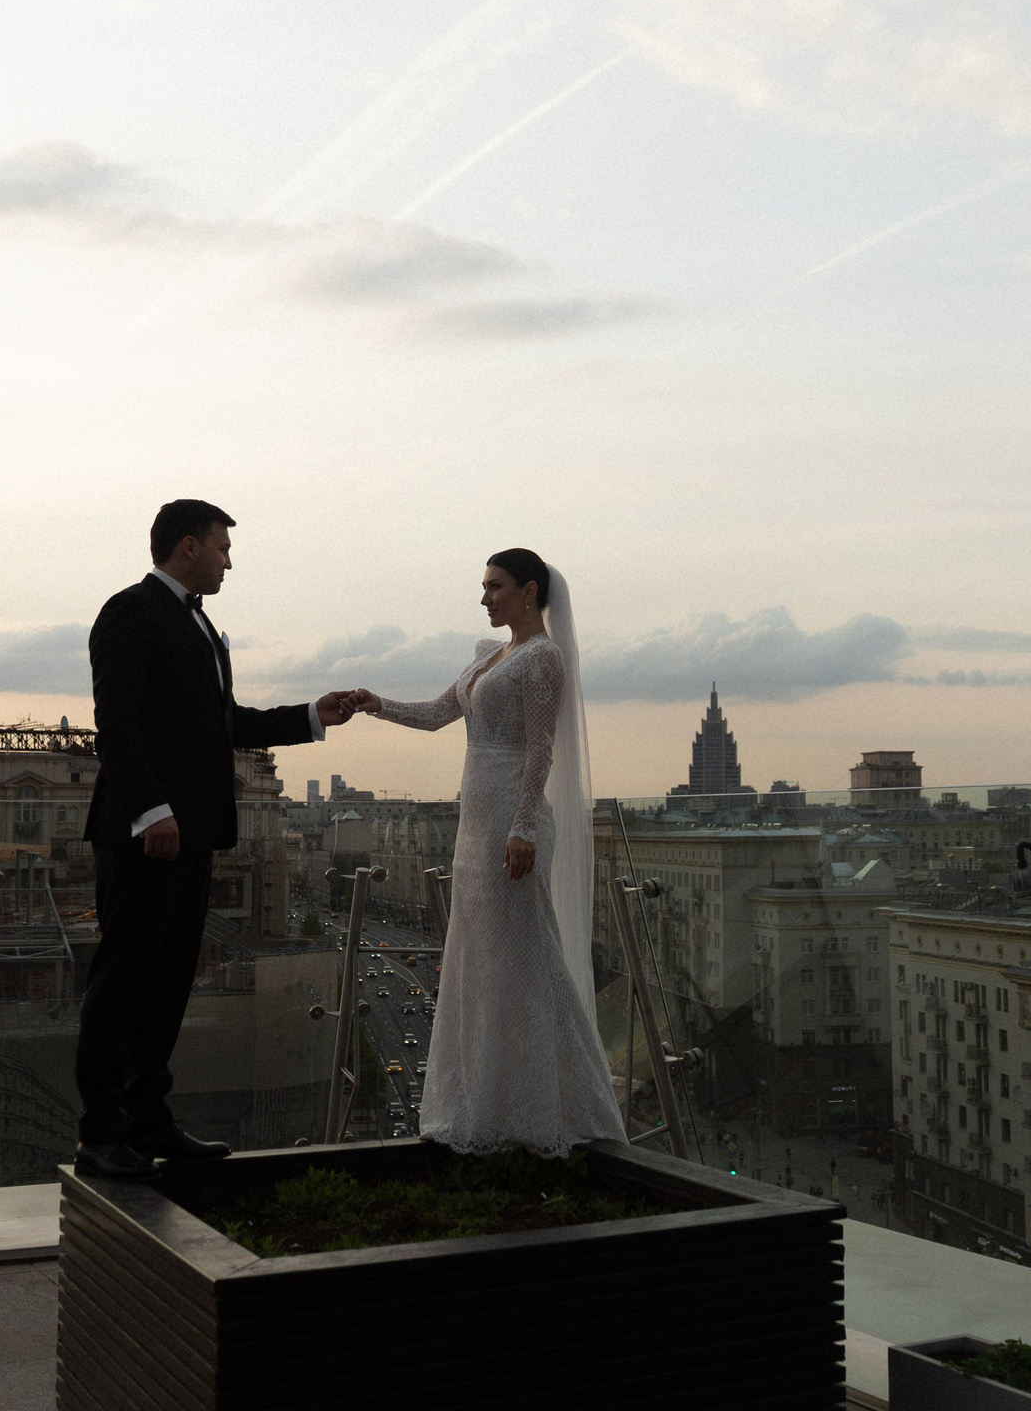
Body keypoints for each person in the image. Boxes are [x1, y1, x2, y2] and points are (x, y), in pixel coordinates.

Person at [74, 499, 359, 1181]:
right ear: (188, 546)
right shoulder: (130, 612)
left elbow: (222, 724)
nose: (231, 560)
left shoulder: (199, 626)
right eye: (223, 546)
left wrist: (309, 717)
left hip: (191, 836)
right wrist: (152, 812)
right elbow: (117, 726)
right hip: (147, 836)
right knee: (123, 984)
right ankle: (101, 1134)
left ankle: (149, 1122)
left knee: (168, 982)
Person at [344, 549, 624, 1155]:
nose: (484, 598)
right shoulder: (488, 657)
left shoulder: (543, 659)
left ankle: (550, 1108)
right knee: (482, 961)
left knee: (524, 956)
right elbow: (437, 715)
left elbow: (541, 750)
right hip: (476, 824)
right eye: (483, 586)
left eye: (494, 587)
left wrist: (524, 825)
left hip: (512, 822)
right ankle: (488, 1106)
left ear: (529, 591)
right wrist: (376, 704)